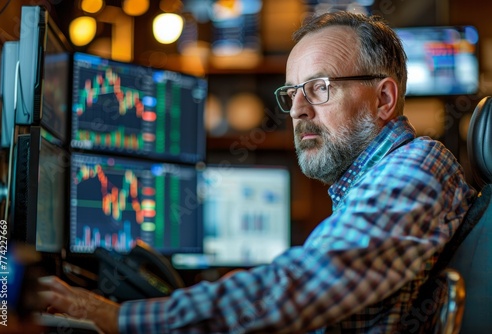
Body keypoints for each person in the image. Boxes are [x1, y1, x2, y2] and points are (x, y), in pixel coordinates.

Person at [38, 11, 477, 333]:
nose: (298, 109)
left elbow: (305, 285)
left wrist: (118, 318)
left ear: (383, 99)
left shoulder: (418, 165)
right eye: (292, 93)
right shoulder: (374, 181)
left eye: (320, 88)